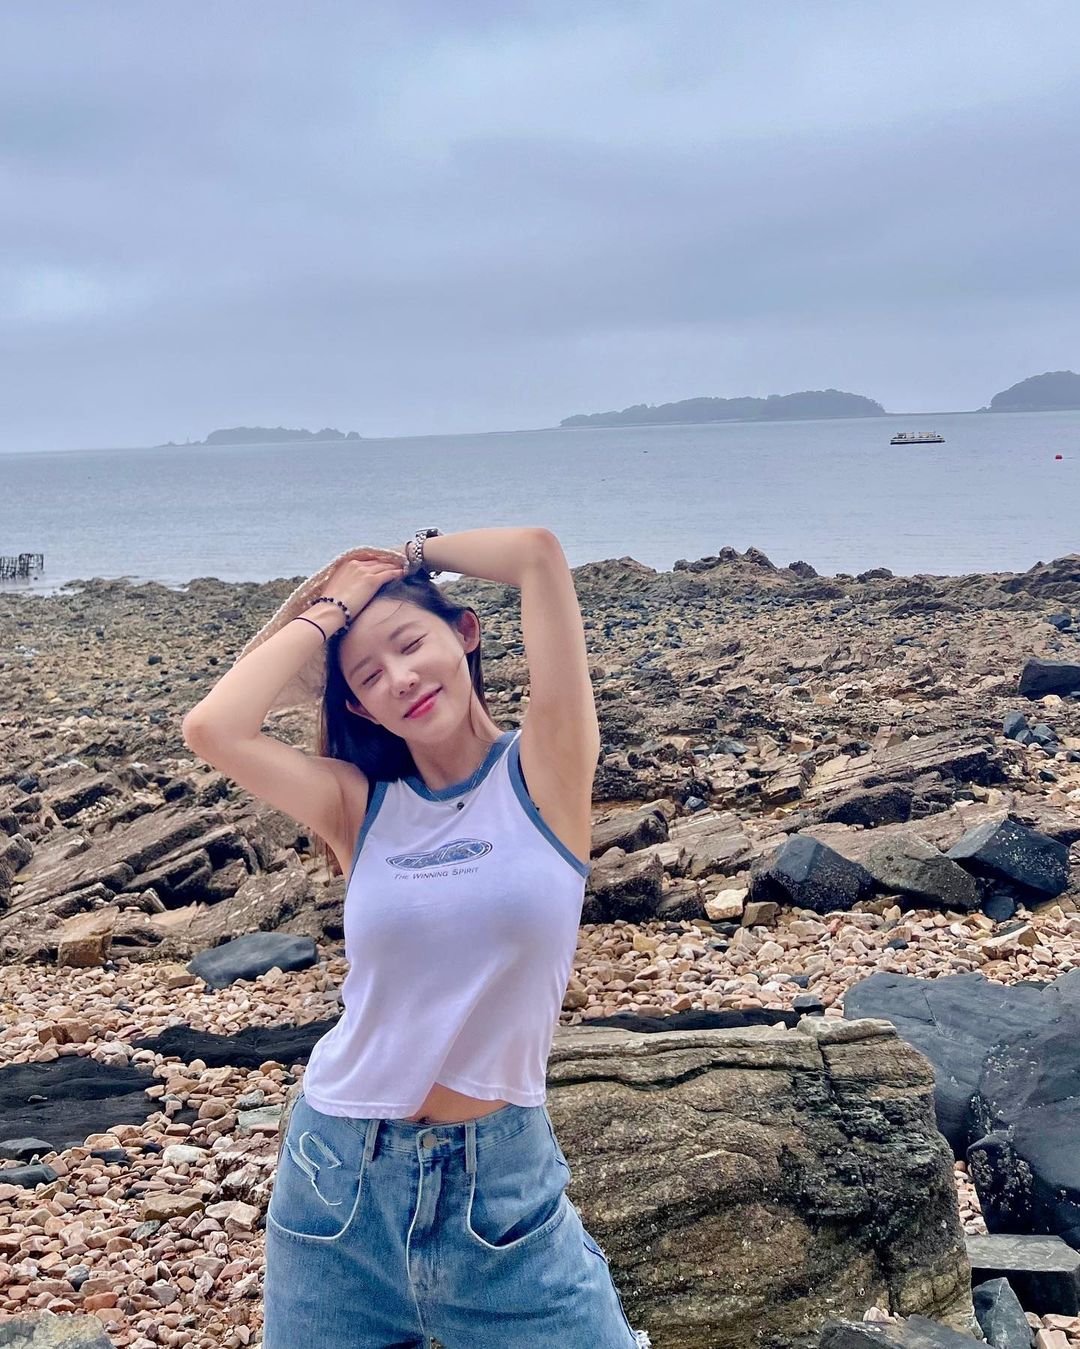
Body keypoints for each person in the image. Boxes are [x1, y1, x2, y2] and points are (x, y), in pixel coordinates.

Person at [181, 526, 651, 1348]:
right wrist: (328, 610)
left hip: (500, 1197)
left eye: (410, 644)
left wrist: (413, 555)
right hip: (336, 1188)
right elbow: (213, 728)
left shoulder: (546, 766)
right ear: (361, 708)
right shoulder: (358, 805)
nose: (399, 678)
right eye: (369, 676)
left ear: (465, 633)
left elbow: (538, 555)